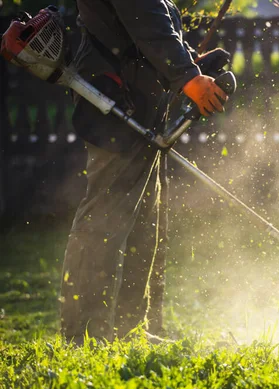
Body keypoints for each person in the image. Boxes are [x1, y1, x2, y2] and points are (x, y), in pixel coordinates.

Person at [60, 0, 229, 345]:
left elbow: (150, 27)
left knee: (144, 226)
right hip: (117, 103)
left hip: (138, 104)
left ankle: (130, 331)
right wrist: (188, 77)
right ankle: (84, 336)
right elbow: (145, 19)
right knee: (102, 224)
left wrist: (188, 66)